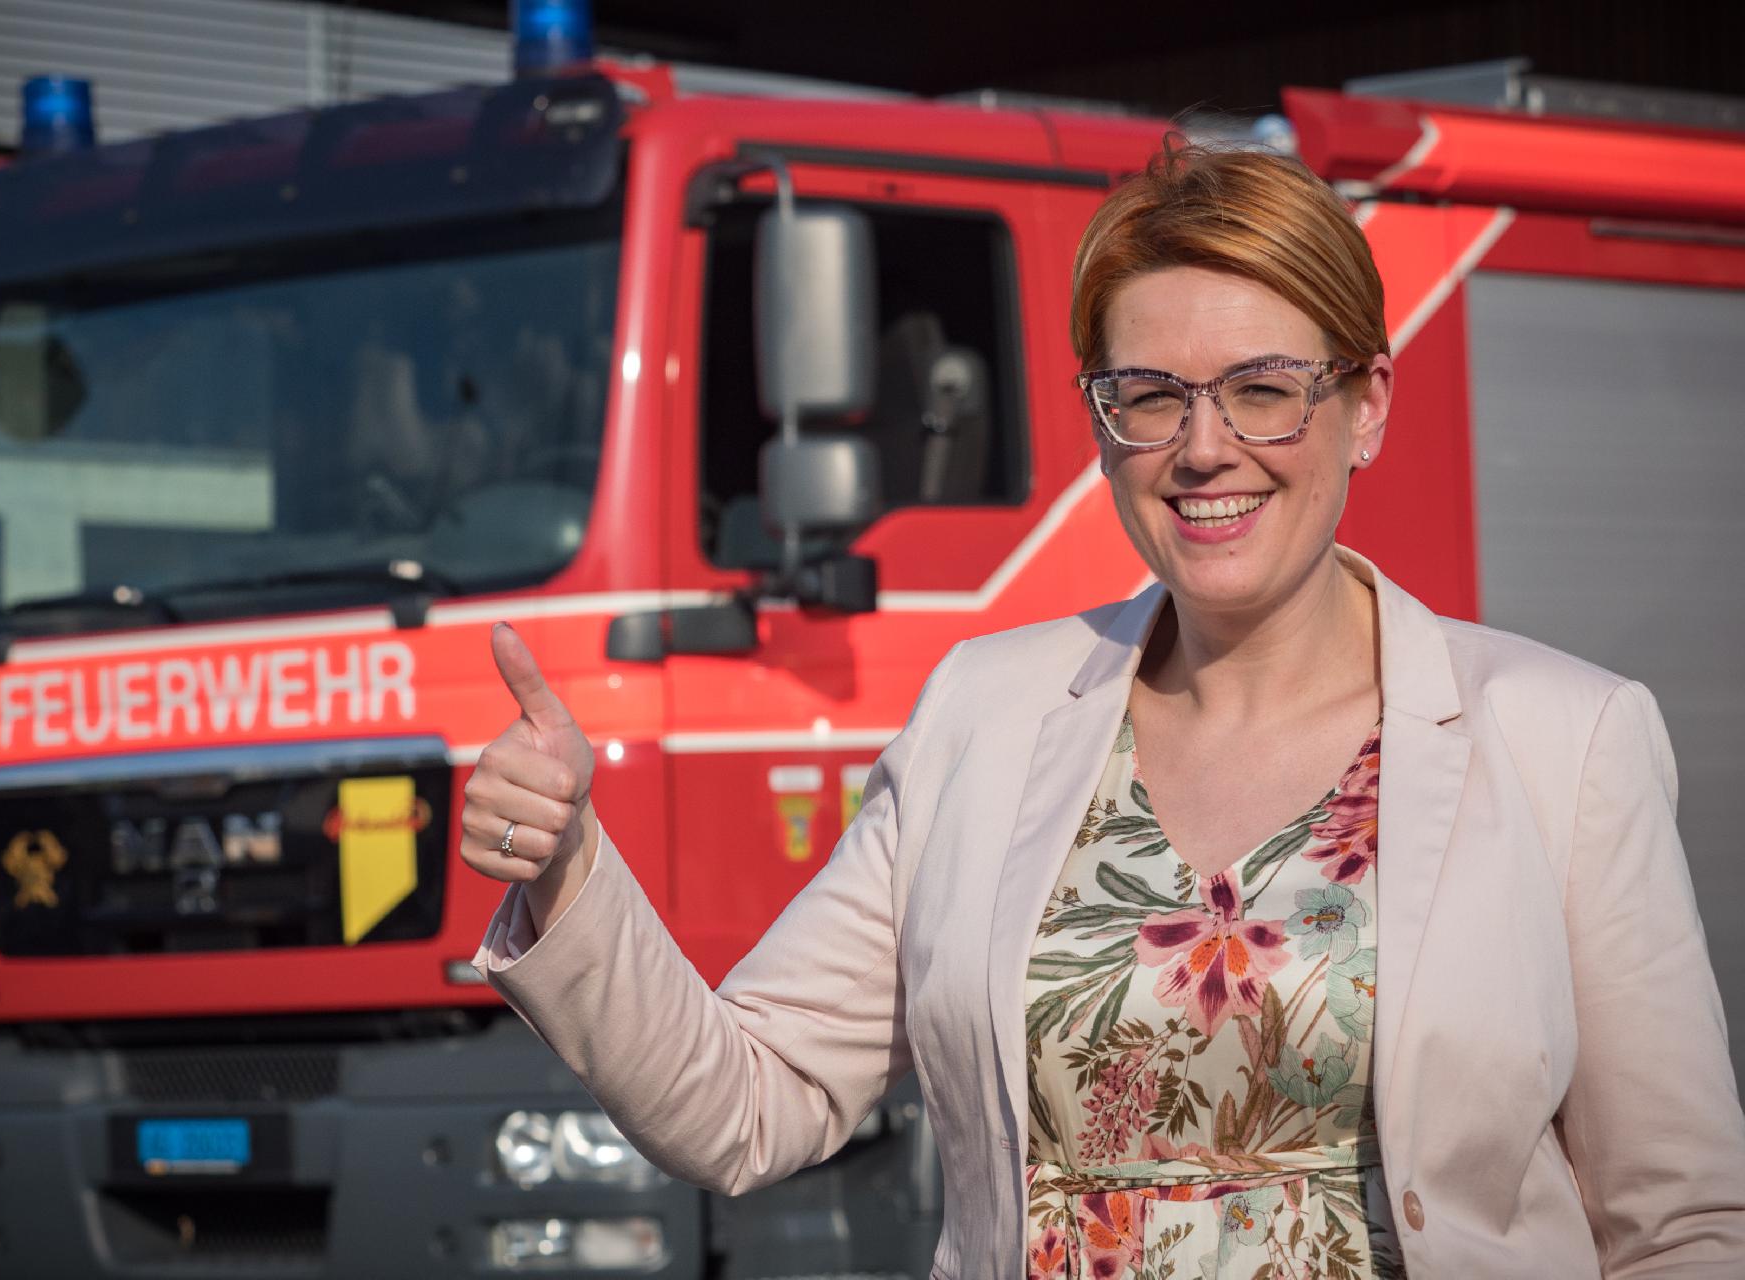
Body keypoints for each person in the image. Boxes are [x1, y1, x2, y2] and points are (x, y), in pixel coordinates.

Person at [462, 143, 1745, 1278]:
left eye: (1263, 387)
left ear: (1367, 408)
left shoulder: (1566, 740)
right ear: (1102, 423)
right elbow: (750, 1099)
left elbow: (1681, 1224)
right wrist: (568, 864)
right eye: (1150, 395)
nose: (1203, 447)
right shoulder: (982, 715)